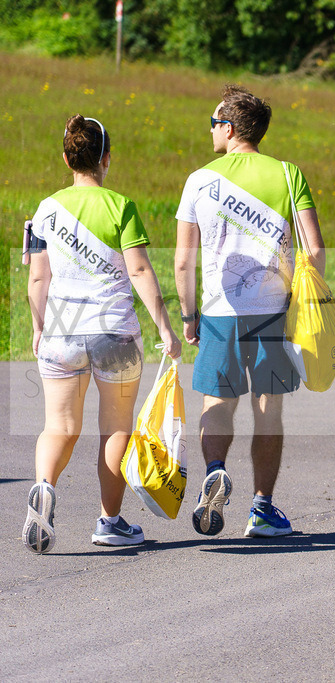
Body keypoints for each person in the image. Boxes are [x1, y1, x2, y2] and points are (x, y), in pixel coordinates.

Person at [23, 115, 181, 554]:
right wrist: (165, 328)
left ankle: (44, 487)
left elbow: (38, 279)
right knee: (115, 429)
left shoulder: (45, 209)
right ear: (106, 158)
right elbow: (139, 269)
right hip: (115, 333)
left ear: (67, 157)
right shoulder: (120, 205)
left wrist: (39, 327)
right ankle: (110, 522)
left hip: (61, 333)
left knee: (59, 426)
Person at [174, 85, 325, 539]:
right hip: (274, 310)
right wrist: (307, 302)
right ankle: (262, 508)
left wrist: (188, 315)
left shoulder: (200, 180)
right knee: (268, 411)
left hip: (220, 311)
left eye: (215, 123)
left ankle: (215, 469)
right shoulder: (287, 173)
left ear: (231, 128)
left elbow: (184, 260)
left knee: (217, 403)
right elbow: (314, 249)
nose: (211, 131)